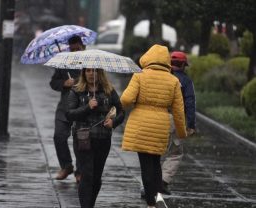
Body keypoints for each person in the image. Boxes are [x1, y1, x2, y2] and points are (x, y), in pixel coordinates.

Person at [120, 44, 187, 208]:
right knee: (156, 162)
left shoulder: (139, 76)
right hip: (161, 125)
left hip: (140, 124)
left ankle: (151, 203)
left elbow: (126, 99)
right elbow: (179, 111)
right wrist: (181, 132)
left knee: (145, 165)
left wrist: (134, 103)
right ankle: (158, 197)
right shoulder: (173, 81)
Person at [66, 68, 125, 208]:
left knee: (97, 177)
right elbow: (69, 114)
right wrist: (88, 107)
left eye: (94, 71)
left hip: (103, 138)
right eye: (88, 71)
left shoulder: (109, 90)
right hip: (83, 138)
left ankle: (90, 204)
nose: (91, 74)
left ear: (100, 73)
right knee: (87, 175)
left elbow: (121, 111)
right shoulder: (76, 91)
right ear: (84, 73)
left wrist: (113, 122)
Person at [49, 35, 85, 182]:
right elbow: (53, 83)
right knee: (59, 136)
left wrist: (78, 82)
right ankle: (66, 165)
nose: (75, 51)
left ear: (83, 47)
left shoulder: (89, 63)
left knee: (81, 141)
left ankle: (80, 171)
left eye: (78, 48)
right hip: (64, 106)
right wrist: (65, 83)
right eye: (72, 49)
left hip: (82, 107)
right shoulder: (63, 63)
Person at [161, 51, 196, 194]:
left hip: (158, 118)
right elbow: (190, 103)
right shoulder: (186, 81)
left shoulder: (162, 77)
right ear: (183, 65)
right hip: (176, 119)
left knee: (154, 152)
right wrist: (191, 125)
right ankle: (163, 181)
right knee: (175, 152)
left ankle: (149, 184)